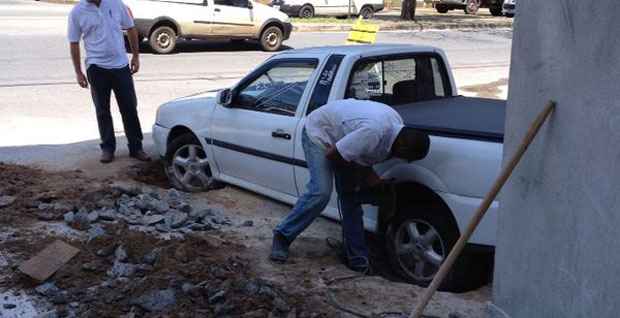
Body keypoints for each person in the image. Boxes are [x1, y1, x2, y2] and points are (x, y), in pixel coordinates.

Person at [270, 71, 426, 272]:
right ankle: (282, 235)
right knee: (321, 192)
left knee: (350, 198)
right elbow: (334, 155)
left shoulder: (395, 129)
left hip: (345, 141)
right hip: (321, 134)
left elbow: (361, 155)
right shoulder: (373, 132)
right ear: (402, 146)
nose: (403, 161)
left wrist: (372, 181)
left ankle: (357, 257)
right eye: (406, 157)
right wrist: (364, 180)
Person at [68, 0, 150, 163]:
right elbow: (74, 42)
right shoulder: (77, 12)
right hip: (96, 67)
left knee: (129, 108)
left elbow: (131, 28)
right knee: (102, 110)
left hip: (120, 66)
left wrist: (135, 56)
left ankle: (136, 147)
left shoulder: (116, 4)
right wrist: (78, 72)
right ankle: (107, 148)